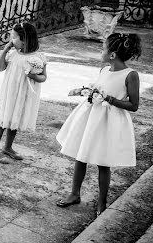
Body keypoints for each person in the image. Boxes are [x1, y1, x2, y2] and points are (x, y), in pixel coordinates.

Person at [56, 33, 142, 217]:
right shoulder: (104, 70)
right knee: (81, 155)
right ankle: (74, 193)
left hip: (110, 122)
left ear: (112, 55)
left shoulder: (130, 75)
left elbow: (134, 105)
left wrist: (109, 99)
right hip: (92, 118)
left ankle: (102, 202)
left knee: (103, 162)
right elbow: (99, 87)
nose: (100, 51)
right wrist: (86, 91)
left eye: (103, 48)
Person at [0, 23, 47, 163]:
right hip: (10, 92)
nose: (11, 40)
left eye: (14, 37)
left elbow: (43, 77)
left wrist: (34, 76)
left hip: (24, 94)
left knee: (15, 118)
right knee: (3, 119)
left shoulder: (39, 57)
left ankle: (8, 147)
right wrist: (4, 50)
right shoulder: (12, 54)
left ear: (24, 40)